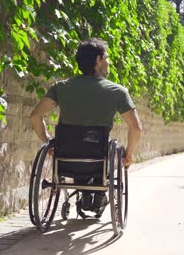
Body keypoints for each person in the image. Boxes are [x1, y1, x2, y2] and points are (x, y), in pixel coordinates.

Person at [29, 38, 142, 213]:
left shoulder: (61, 87)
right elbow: (136, 128)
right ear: (98, 60)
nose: (108, 61)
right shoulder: (117, 91)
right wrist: (128, 154)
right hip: (98, 159)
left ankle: (87, 192)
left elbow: (35, 116)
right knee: (111, 150)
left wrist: (49, 142)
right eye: (106, 57)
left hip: (65, 157)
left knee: (79, 147)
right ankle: (96, 193)